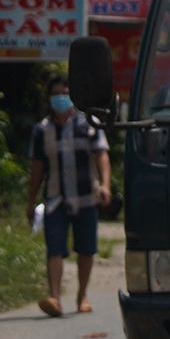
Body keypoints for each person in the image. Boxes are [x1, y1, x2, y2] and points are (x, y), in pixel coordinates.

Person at [26, 74, 112, 317]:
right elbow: (37, 168)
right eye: (56, 94)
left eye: (65, 94)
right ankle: (54, 297)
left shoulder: (89, 123)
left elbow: (101, 155)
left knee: (86, 249)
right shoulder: (42, 130)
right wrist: (31, 201)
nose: (60, 99)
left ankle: (82, 294)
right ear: (49, 98)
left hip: (86, 197)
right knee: (54, 248)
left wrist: (105, 185)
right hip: (55, 199)